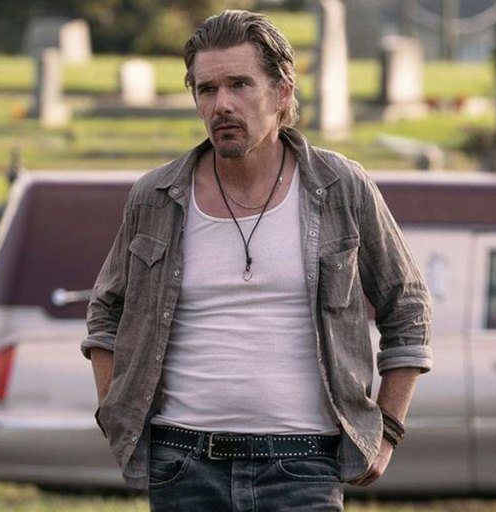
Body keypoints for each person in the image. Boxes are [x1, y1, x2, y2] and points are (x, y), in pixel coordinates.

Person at [81, 10, 431, 511]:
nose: (221, 104)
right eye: (207, 89)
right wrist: (117, 413)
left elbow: (408, 306)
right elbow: (106, 313)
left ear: (282, 92)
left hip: (303, 464)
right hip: (183, 463)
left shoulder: (341, 188)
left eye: (240, 85)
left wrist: (389, 428)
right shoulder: (155, 197)